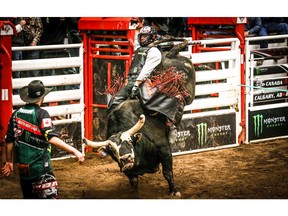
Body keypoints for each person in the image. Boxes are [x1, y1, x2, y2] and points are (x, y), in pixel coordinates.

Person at [1, 80, 85, 199]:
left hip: (24, 172)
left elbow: (8, 140)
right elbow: (51, 138)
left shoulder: (16, 114)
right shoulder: (41, 114)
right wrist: (74, 151)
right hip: (41, 170)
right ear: (42, 97)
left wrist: (9, 161)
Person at [107, 25, 177, 145]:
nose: (142, 38)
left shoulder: (154, 52)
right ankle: (111, 138)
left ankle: (170, 126)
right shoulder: (139, 49)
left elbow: (146, 71)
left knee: (152, 105)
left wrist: (136, 84)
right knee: (113, 103)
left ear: (152, 37)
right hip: (131, 81)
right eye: (141, 36)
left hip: (145, 82)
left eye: (145, 36)